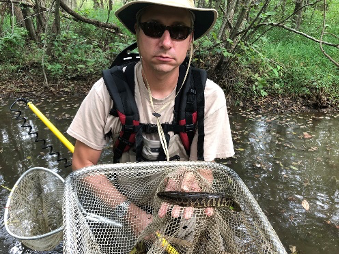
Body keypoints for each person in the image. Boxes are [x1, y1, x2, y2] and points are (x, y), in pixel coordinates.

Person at [67, 0, 234, 234]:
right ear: (137, 31)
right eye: (154, 28)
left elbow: (203, 170)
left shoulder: (209, 96)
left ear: (190, 39)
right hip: (124, 205)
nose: (166, 43)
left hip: (181, 208)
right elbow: (82, 162)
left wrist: (188, 177)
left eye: (178, 31)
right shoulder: (107, 90)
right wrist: (130, 214)